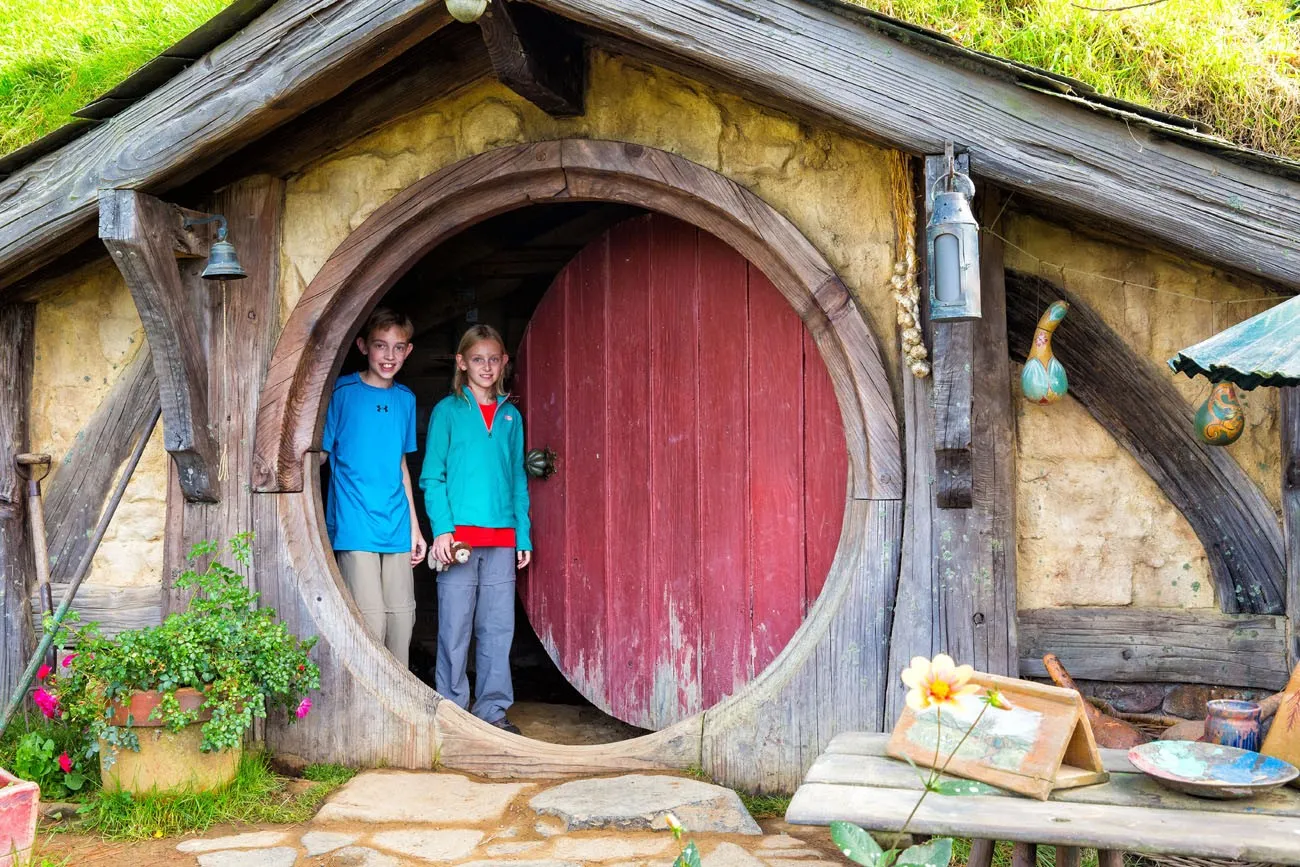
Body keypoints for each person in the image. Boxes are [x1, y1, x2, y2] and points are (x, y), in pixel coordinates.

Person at [419, 324, 532, 734]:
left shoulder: (510, 415)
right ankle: (452, 712)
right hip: (460, 541)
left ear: (504, 363)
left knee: (498, 630)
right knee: (454, 627)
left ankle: (492, 712)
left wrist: (523, 534)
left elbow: (518, 478)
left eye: (494, 359)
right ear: (462, 363)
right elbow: (433, 476)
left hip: (502, 540)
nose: (486, 366)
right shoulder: (448, 411)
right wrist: (443, 531)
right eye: (478, 359)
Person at [321, 308, 428, 667]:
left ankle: (398, 716)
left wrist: (415, 528)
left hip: (396, 523)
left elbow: (400, 466)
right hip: (354, 523)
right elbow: (317, 454)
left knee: (402, 621)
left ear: (408, 351)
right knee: (371, 621)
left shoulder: (406, 399)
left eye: (398, 348)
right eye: (381, 346)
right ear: (363, 345)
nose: (389, 356)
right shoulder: (341, 392)